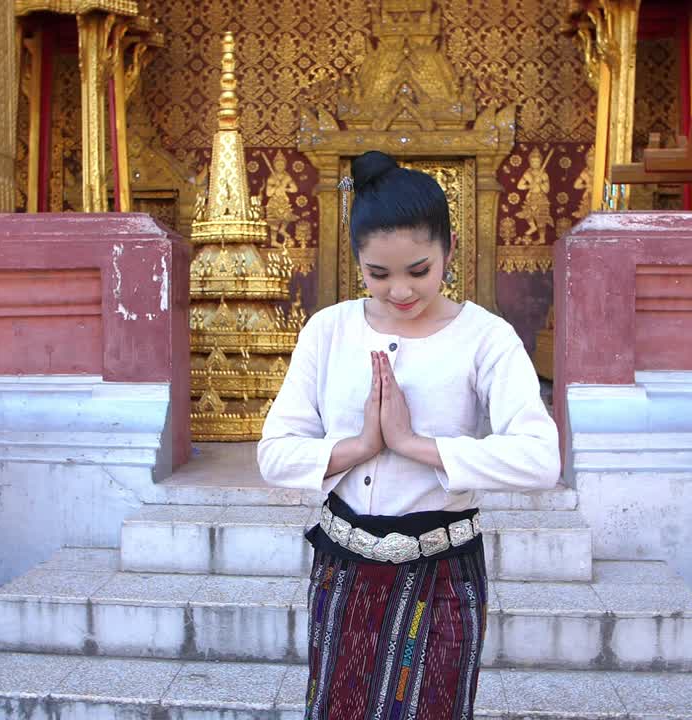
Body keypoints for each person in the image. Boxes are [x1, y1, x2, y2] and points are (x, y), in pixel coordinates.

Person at [258, 150, 561, 718]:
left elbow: (540, 459)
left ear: (449, 250)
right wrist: (362, 448)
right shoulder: (328, 331)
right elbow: (275, 454)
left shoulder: (485, 337)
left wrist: (413, 445)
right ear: (358, 263)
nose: (399, 290)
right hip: (344, 571)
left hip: (443, 574)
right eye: (378, 274)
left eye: (418, 270)